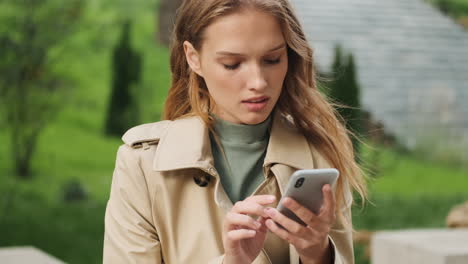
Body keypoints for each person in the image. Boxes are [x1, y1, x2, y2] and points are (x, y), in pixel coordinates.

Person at [103, 0, 367, 263]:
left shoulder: (320, 156)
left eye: (272, 59)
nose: (258, 82)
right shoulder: (142, 164)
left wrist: (317, 254)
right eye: (232, 64)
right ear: (193, 57)